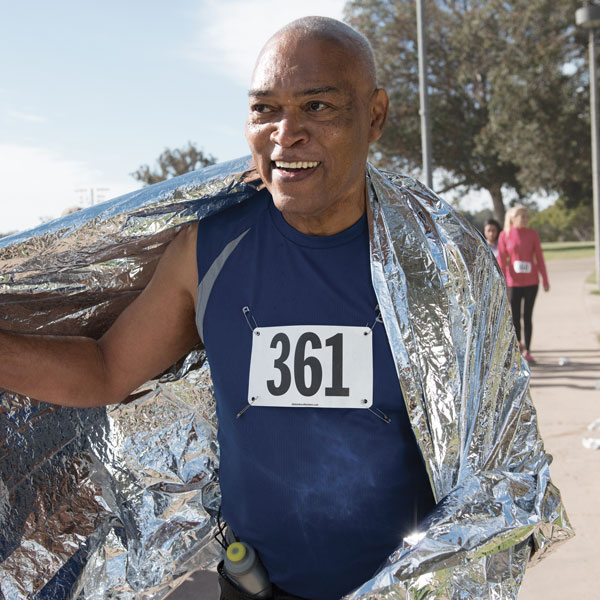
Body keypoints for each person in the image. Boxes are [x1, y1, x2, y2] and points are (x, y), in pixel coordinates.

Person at [0, 16, 572, 600]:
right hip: (254, 586)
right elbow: (105, 369)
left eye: (318, 107)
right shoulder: (208, 251)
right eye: (264, 109)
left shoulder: (443, 263)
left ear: (375, 115)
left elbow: (499, 465)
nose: (285, 133)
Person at [497, 205, 549, 363]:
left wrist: (545, 279)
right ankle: (518, 344)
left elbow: (539, 257)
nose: (525, 219)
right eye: (522, 216)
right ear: (513, 218)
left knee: (527, 315)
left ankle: (528, 350)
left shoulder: (532, 234)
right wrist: (503, 282)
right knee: (515, 316)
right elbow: (502, 262)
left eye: (526, 216)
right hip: (513, 283)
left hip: (532, 282)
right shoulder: (504, 235)